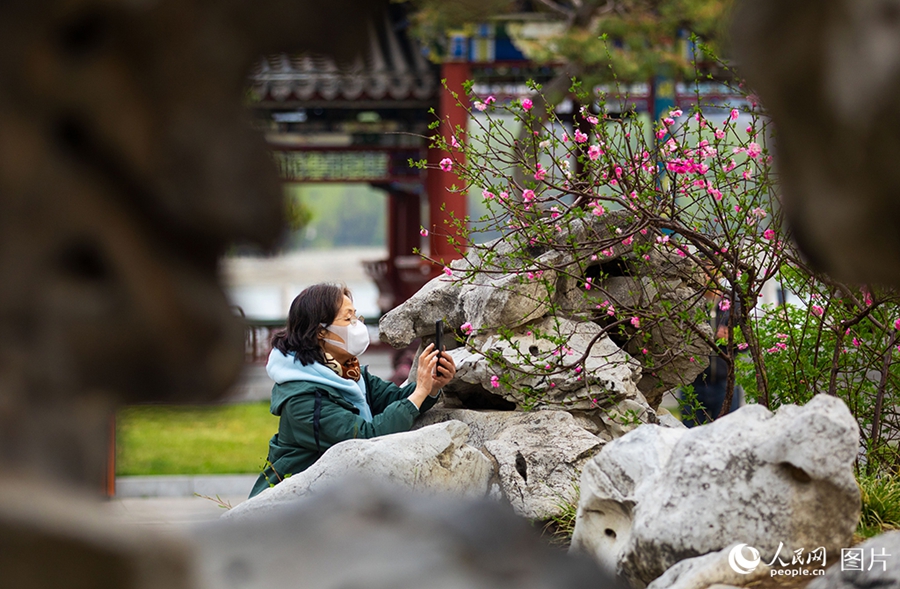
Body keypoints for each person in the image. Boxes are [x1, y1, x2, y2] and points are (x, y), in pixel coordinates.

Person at [249, 283, 455, 497]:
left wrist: (431, 385)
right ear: (321, 331)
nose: (357, 326)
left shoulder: (349, 373)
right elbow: (366, 438)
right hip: (291, 502)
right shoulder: (302, 399)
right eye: (348, 320)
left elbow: (394, 398)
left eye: (356, 318)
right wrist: (419, 392)